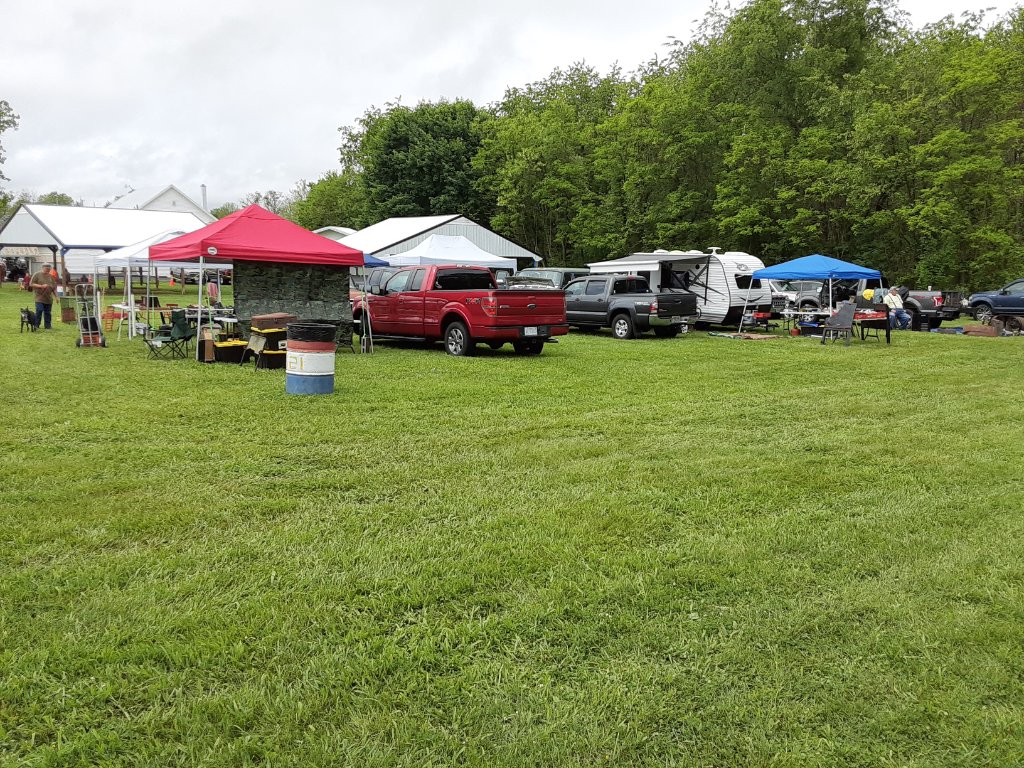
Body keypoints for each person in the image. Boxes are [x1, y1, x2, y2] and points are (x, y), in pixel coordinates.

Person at [30, 265, 58, 329]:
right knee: (39, 310)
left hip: (48, 298)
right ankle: (36, 325)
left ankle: (48, 326)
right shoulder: (37, 274)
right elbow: (31, 284)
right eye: (46, 269)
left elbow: (54, 288)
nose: (48, 270)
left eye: (49, 269)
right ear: (42, 268)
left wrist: (56, 297)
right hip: (39, 297)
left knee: (48, 312)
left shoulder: (51, 276)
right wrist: (41, 286)